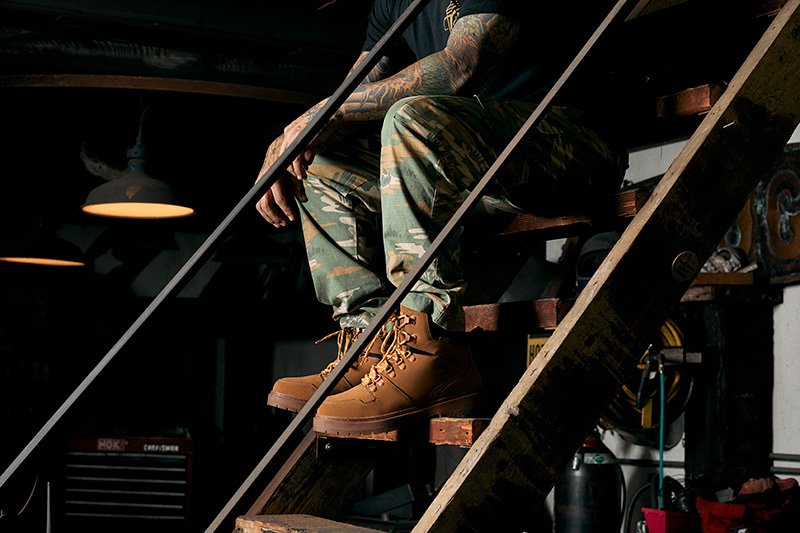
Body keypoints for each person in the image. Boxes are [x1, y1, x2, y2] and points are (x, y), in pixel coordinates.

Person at [255, 0, 625, 436]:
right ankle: (371, 343)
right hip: (476, 166)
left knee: (412, 117)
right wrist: (286, 144)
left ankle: (430, 348)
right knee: (319, 163)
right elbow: (353, 93)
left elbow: (460, 65)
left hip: (573, 147)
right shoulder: (394, 2)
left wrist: (321, 116)